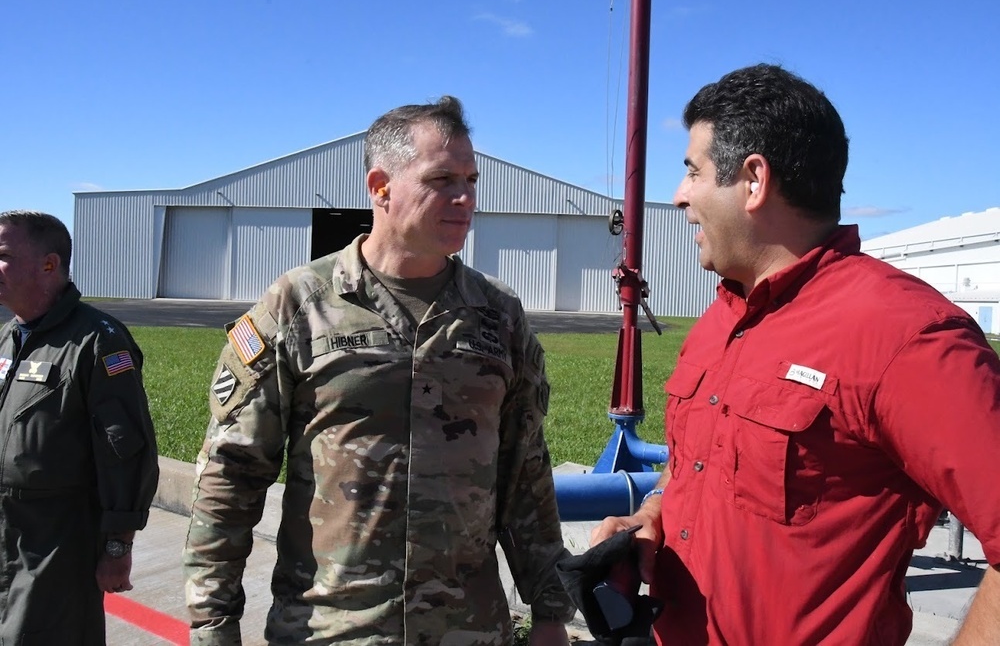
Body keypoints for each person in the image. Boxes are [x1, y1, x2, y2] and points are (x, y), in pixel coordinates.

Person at [590, 64, 1000, 644]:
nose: (680, 195)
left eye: (692, 171)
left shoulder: (906, 336)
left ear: (754, 179)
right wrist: (654, 513)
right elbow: (695, 468)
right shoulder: (721, 319)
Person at [183, 96, 575, 645]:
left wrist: (551, 610)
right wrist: (213, 622)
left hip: (470, 631)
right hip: (331, 629)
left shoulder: (499, 317)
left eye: (470, 179)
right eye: (442, 179)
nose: (464, 198)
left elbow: (524, 473)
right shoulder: (298, 305)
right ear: (381, 186)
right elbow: (232, 473)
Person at [0, 210, 159, 643]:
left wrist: (116, 547)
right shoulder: (8, 336)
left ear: (49, 265)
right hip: (7, 531)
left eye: (3, 255)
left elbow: (125, 450)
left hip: (56, 544)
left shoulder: (98, 341)